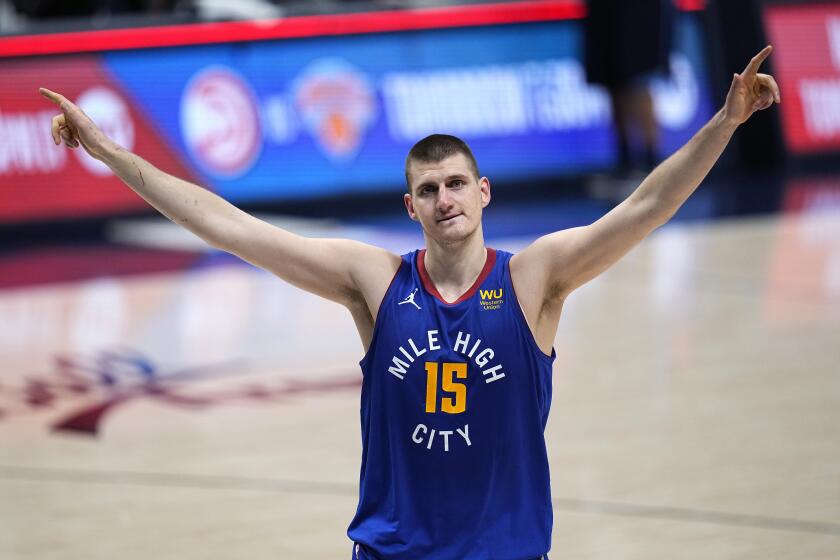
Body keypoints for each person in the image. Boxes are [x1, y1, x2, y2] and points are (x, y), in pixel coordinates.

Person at [39, 45, 780, 560]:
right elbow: (229, 226)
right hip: (394, 553)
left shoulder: (533, 279)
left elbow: (645, 206)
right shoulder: (375, 282)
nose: (445, 198)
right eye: (429, 190)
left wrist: (724, 125)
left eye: (457, 183)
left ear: (483, 191)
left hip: (507, 553)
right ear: (411, 207)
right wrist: (112, 154)